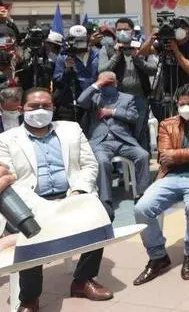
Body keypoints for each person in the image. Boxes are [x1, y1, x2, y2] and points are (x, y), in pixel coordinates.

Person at [0, 88, 113, 310]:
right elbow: (10, 180)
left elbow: (89, 164)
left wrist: (78, 192)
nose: (40, 110)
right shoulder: (6, 139)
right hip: (32, 201)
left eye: (46, 106)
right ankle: (29, 297)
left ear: (53, 108)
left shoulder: (71, 129)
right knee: (31, 230)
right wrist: (45, 208)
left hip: (72, 195)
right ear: (22, 108)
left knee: (102, 214)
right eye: (34, 106)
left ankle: (83, 280)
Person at [132, 84, 189, 285]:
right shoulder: (167, 124)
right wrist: (182, 155)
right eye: (182, 104)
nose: (186, 107)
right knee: (141, 208)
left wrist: (176, 155)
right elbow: (164, 157)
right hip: (171, 176)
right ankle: (157, 256)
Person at [77, 71, 151, 214]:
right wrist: (98, 84)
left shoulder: (127, 98)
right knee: (102, 161)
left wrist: (113, 112)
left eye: (110, 83)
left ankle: (143, 194)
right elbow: (80, 101)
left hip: (123, 140)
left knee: (143, 155)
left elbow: (134, 116)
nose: (108, 86)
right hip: (101, 142)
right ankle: (106, 201)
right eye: (105, 84)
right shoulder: (94, 98)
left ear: (117, 83)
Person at [98, 17, 158, 149]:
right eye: (119, 29)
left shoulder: (142, 47)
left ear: (132, 31)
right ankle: (121, 168)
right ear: (115, 31)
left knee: (140, 132)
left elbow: (153, 69)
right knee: (119, 131)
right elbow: (102, 71)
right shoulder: (108, 48)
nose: (123, 32)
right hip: (116, 99)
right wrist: (116, 55)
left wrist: (138, 58)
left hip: (139, 97)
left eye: (126, 29)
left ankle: (143, 164)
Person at [53, 25, 99, 124]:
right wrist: (68, 69)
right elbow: (58, 82)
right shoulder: (63, 57)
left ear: (87, 38)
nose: (79, 44)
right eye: (75, 40)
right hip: (70, 105)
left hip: (94, 104)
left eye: (81, 40)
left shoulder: (97, 55)